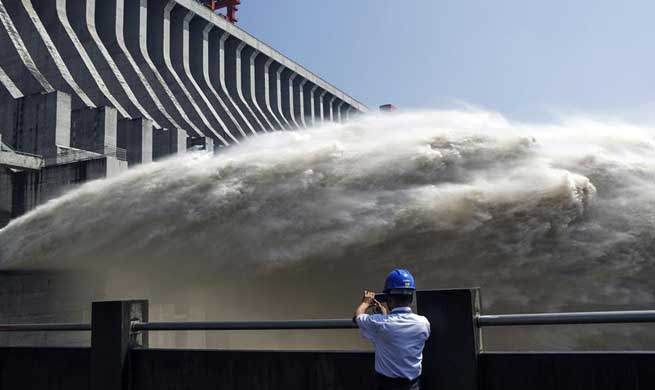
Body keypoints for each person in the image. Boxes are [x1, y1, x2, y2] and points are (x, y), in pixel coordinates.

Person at [353, 269, 430, 390]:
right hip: (413, 385)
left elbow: (358, 317)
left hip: (386, 385)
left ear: (389, 298)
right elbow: (395, 329)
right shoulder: (424, 323)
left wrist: (365, 302)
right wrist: (385, 315)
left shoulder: (379, 323)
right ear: (411, 298)